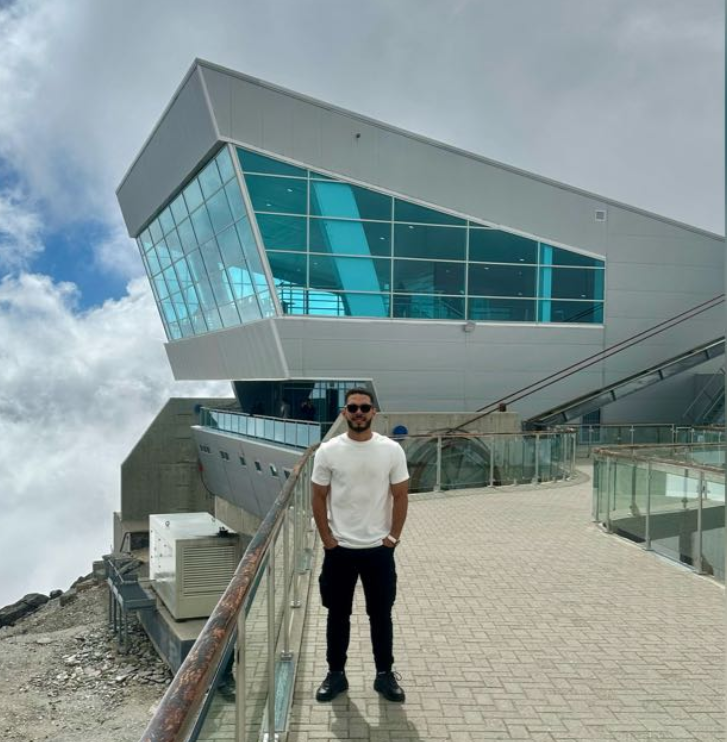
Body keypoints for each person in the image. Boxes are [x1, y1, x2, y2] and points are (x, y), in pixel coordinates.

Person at [310, 388, 409, 703]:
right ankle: (335, 675)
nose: (358, 413)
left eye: (364, 408)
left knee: (381, 615)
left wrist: (392, 538)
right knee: (337, 615)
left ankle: (384, 675)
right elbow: (318, 496)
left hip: (379, 550)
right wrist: (327, 538)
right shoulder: (328, 451)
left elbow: (401, 495)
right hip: (339, 550)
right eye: (352, 408)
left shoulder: (391, 450)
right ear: (344, 413)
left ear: (373, 412)